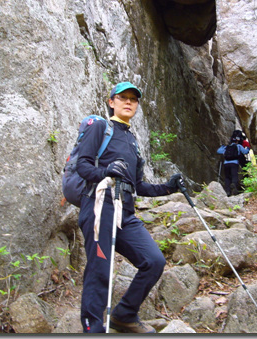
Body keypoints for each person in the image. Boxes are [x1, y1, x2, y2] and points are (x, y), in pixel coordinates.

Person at [76, 81, 181, 333]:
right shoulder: (101, 127)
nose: (128, 102)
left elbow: (138, 185)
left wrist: (168, 187)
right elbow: (83, 165)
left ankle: (124, 314)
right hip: (100, 207)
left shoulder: (133, 141)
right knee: (100, 269)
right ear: (111, 102)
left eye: (133, 99)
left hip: (125, 213)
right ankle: (93, 329)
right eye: (122, 97)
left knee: (154, 261)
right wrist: (106, 172)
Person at [217, 131, 249, 196]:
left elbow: (218, 151)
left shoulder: (226, 147)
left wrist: (222, 146)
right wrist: (248, 147)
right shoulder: (238, 146)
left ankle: (228, 191)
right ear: (237, 141)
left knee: (227, 177)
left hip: (226, 164)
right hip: (234, 163)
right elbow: (245, 152)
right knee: (234, 176)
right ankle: (234, 184)